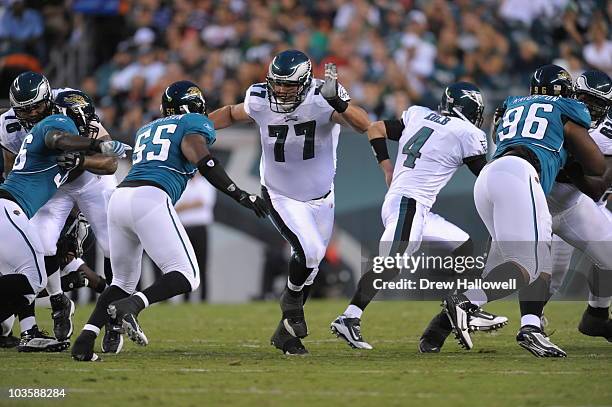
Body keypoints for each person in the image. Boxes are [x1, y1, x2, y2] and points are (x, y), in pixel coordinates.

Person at [71, 80, 268, 362]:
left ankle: (85, 338)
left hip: (120, 198)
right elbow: (204, 160)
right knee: (188, 275)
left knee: (123, 280)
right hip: (150, 197)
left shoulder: (147, 128)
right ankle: (133, 305)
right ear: (196, 106)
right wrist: (241, 195)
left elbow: (199, 132)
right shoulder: (192, 124)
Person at [209, 50, 370, 354]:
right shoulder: (259, 98)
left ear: (306, 81)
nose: (280, 91)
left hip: (322, 197)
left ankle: (284, 333)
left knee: (313, 261)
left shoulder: (323, 97)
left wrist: (339, 103)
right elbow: (231, 113)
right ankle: (291, 303)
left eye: (288, 85)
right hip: (281, 193)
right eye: (277, 84)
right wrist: (200, 127)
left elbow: (363, 125)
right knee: (308, 253)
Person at [438, 64, 604, 357]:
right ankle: (474, 304)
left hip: (490, 177)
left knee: (528, 261)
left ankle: (449, 325)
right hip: (521, 175)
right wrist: (569, 156)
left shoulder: (511, 105)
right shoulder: (566, 108)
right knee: (531, 264)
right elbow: (598, 167)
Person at [330, 82, 507, 351]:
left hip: (415, 207)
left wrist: (387, 168)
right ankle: (349, 317)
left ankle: (460, 307)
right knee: (391, 263)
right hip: (409, 205)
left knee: (462, 245)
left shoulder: (419, 114)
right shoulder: (466, 133)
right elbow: (486, 176)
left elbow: (375, 128)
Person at [0, 72, 129, 350]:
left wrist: (83, 158)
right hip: (45, 190)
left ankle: (114, 316)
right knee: (43, 247)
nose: (32, 113)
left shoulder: (72, 107)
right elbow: (14, 169)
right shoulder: (18, 124)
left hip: (89, 180)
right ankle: (57, 302)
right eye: (25, 109)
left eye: (36, 106)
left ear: (49, 100)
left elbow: (109, 164)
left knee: (112, 244)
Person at [175, 175, 216, 301]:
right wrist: (193, 204)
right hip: (184, 228)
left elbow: (204, 202)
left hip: (200, 228)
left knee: (202, 264)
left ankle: (203, 298)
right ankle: (186, 298)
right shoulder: (182, 183)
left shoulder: (205, 183)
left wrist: (185, 205)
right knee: (186, 265)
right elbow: (175, 205)